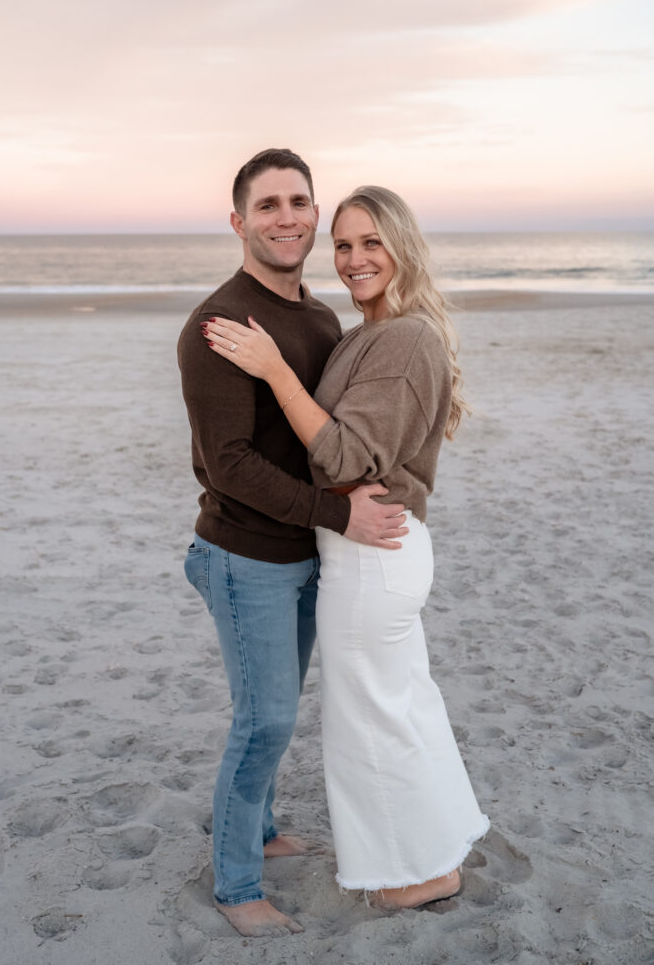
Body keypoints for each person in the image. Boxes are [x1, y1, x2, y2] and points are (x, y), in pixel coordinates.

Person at [203, 184, 490, 909]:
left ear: (402, 249)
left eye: (371, 243)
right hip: (373, 551)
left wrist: (272, 368)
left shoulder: (402, 338)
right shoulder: (366, 332)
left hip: (374, 554)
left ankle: (414, 878)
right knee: (401, 709)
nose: (355, 258)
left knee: (370, 721)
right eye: (344, 244)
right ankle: (437, 854)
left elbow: (342, 458)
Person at [177, 152, 409, 937]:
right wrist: (339, 516)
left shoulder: (317, 319)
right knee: (265, 720)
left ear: (314, 214)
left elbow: (328, 434)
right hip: (245, 557)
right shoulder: (216, 324)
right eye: (267, 204)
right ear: (239, 221)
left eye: (299, 201)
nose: (287, 217)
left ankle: (262, 826)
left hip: (306, 554)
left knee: (271, 710)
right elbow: (227, 465)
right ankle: (237, 886)